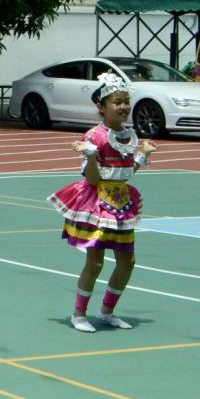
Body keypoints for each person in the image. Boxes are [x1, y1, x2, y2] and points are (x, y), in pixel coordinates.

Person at [49, 72, 152, 332]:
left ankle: (107, 311)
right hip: (97, 204)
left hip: (122, 203)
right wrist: (91, 156)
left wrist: (142, 156)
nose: (124, 106)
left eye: (126, 101)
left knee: (128, 261)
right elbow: (93, 179)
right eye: (117, 102)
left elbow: (125, 173)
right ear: (101, 106)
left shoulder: (129, 135)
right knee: (95, 262)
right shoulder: (95, 136)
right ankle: (79, 314)